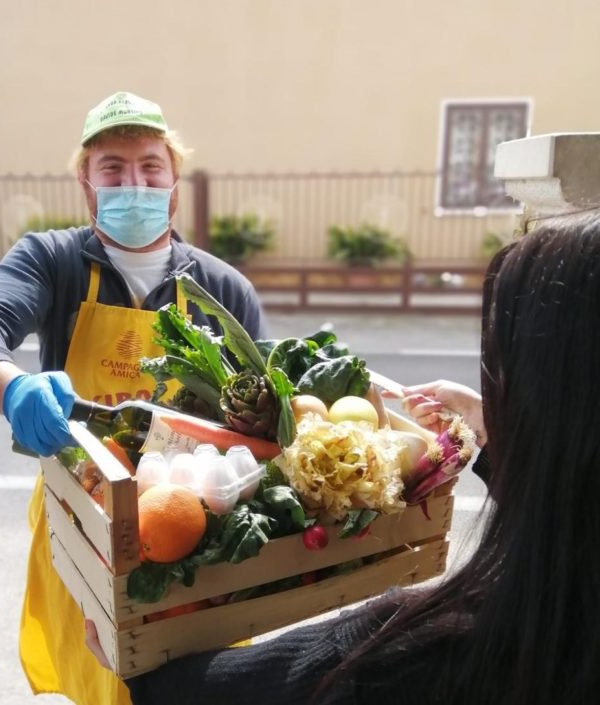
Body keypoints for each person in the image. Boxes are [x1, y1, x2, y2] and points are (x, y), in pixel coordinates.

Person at [85, 209, 600, 705]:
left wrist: (146, 675)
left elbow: (276, 683)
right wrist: (492, 430)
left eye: (501, 373)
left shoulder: (434, 655)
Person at [0, 90, 267, 705]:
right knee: (99, 677)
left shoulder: (224, 289)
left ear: (174, 182)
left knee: (198, 684)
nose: (133, 184)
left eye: (150, 167)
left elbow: (264, 413)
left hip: (199, 531)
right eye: (112, 168)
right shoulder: (52, 261)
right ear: (86, 183)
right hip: (81, 517)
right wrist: (13, 388)